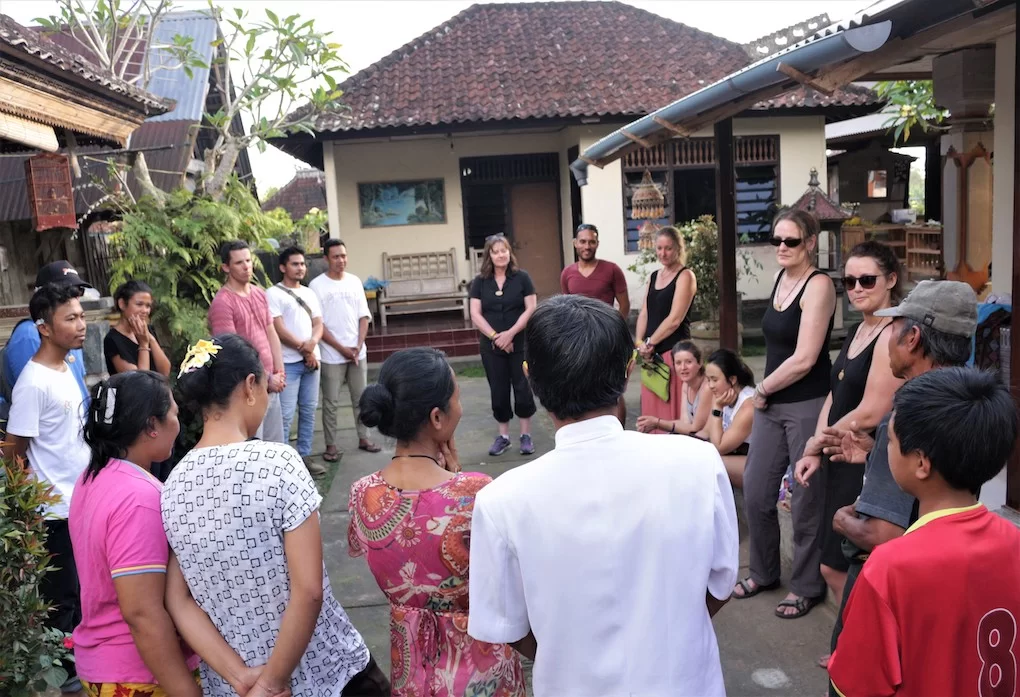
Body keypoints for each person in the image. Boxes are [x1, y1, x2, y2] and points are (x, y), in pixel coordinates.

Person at [468, 295, 738, 697]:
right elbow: (719, 585)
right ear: (628, 371)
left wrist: (575, 656)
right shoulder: (698, 463)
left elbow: (508, 626)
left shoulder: (502, 501)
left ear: (529, 377)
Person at [162, 334, 387, 697]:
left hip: (235, 685)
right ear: (250, 386)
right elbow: (309, 590)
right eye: (267, 389)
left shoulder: (173, 485)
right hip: (323, 671)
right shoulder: (277, 463)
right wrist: (271, 682)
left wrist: (240, 678)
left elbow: (178, 600)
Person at [816, 279, 978, 693]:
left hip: (888, 587)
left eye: (893, 327)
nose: (886, 337)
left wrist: (840, 520)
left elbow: (883, 535)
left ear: (914, 337)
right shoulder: (970, 403)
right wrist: (877, 453)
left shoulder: (906, 416)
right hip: (948, 580)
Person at [828, 367, 1020, 697]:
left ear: (921, 462)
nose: (882, 450)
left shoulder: (890, 567)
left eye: (888, 441)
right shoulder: (1013, 541)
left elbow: (856, 686)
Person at [348, 348, 525, 696]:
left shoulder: (362, 494)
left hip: (412, 667)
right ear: (437, 418)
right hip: (479, 668)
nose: (460, 406)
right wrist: (456, 477)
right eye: (456, 398)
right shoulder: (475, 492)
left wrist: (451, 475)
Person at [72, 371, 230, 697]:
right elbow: (142, 613)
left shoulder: (92, 477)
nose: (178, 423)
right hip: (139, 673)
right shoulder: (138, 498)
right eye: (173, 413)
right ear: (151, 426)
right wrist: (185, 690)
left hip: (104, 663)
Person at [792, 240, 903, 665]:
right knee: (833, 566)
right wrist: (814, 447)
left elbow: (874, 409)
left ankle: (862, 651)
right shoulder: (860, 329)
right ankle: (855, 643)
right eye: (849, 281)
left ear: (891, 279)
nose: (856, 288)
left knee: (851, 566)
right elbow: (835, 397)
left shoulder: (893, 331)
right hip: (838, 454)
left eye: (867, 280)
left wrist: (819, 442)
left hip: (867, 460)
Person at [733, 208, 836, 621]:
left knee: (806, 499)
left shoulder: (819, 285)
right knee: (757, 491)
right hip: (771, 404)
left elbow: (807, 357)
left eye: (791, 241)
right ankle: (763, 572)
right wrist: (764, 395)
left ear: (810, 242)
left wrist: (761, 389)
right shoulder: (781, 277)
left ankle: (807, 586)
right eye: (776, 239)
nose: (781, 247)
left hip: (806, 404)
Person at [6, 283, 91, 696]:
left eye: (81, 315)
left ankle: (86, 665)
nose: (81, 324)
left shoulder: (67, 364)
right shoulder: (33, 383)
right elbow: (13, 451)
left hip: (83, 503)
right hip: (55, 513)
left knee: (86, 593)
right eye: (70, 318)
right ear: (43, 327)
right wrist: (28, 508)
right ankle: (68, 679)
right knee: (63, 599)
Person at [207, 240, 287, 442]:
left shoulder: (260, 293)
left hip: (271, 384)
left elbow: (271, 332)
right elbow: (232, 353)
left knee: (275, 445)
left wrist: (279, 371)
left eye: (248, 260)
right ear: (226, 267)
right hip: (247, 389)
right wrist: (267, 377)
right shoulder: (222, 303)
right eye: (239, 263)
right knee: (254, 446)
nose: (246, 266)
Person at [310, 238, 380, 462]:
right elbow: (319, 324)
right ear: (326, 259)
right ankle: (331, 445)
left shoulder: (354, 281)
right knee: (330, 402)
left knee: (361, 398)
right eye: (335, 256)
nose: (341, 260)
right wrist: (342, 348)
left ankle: (364, 438)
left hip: (357, 353)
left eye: (343, 256)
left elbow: (364, 316)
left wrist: (358, 345)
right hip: (331, 354)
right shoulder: (317, 286)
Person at [468, 233, 538, 456]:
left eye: (504, 250)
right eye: (496, 251)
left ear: (510, 252)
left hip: (520, 343)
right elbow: (475, 314)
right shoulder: (479, 282)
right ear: (489, 255)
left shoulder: (522, 278)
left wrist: (510, 334)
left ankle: (525, 436)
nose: (501, 255)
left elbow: (531, 308)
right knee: (498, 389)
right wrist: (496, 337)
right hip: (492, 346)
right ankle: (504, 437)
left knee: (523, 388)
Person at [0, 261, 92, 425]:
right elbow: (35, 403)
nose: (74, 298)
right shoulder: (29, 334)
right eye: (65, 292)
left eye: (78, 292)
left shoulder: (70, 336)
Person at [560, 222, 631, 425]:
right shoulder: (567, 273)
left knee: (614, 389)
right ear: (575, 243)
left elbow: (624, 305)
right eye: (583, 241)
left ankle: (619, 430)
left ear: (597, 243)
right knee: (581, 388)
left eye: (591, 242)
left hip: (607, 339)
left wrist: (614, 330)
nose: (587, 246)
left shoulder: (612, 270)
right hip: (578, 342)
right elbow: (566, 307)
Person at [267, 246, 326, 478]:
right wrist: (306, 350)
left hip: (312, 362)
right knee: (285, 415)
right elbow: (279, 329)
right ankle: (282, 462)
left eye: (302, 264)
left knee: (309, 411)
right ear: (283, 267)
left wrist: (312, 343)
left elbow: (319, 323)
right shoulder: (274, 293)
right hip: (289, 362)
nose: (300, 268)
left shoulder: (310, 293)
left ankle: (304, 455)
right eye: (295, 264)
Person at [635, 226, 697, 433]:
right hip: (651, 356)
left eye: (668, 248)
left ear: (678, 249)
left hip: (674, 353)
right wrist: (639, 343)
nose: (663, 253)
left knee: (672, 413)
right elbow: (644, 312)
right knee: (652, 408)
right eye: (659, 248)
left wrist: (650, 342)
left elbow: (675, 319)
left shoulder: (685, 275)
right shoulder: (653, 276)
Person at [702, 348, 756, 489]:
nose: (711, 386)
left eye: (714, 380)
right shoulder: (722, 395)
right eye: (708, 380)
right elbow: (706, 432)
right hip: (737, 456)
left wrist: (717, 409)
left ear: (732, 379)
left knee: (708, 463)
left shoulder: (748, 406)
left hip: (760, 463)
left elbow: (719, 448)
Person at [636, 339, 711, 435]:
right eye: (678, 363)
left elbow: (694, 428)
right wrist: (653, 423)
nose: (683, 367)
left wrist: (657, 422)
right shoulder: (686, 385)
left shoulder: (707, 388)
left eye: (688, 362)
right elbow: (684, 423)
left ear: (700, 363)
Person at [104, 280, 172, 378]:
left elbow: (165, 372)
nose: (145, 311)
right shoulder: (113, 339)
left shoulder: (148, 331)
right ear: (122, 304)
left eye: (148, 306)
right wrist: (143, 344)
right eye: (139, 304)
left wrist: (150, 338)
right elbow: (140, 381)